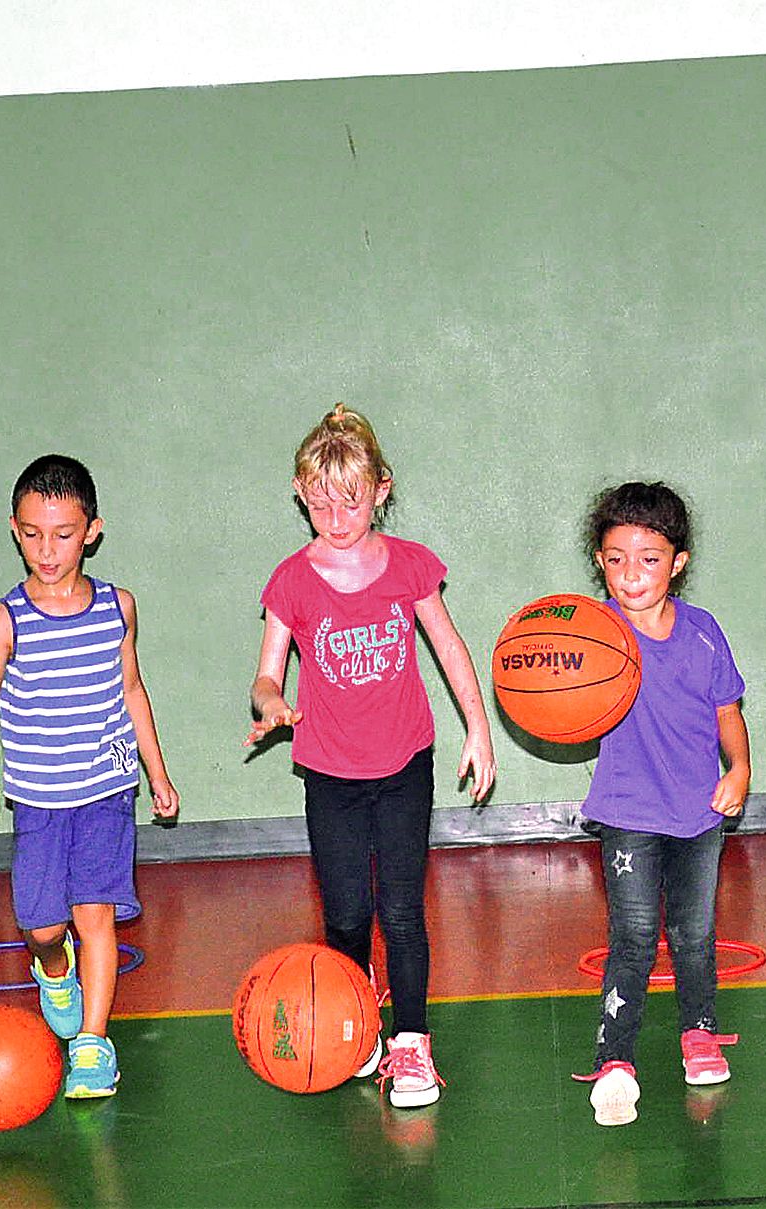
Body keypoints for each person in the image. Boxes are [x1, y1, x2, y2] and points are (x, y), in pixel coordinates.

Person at [246, 404, 495, 1108]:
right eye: (320, 502)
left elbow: (448, 647)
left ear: (380, 489)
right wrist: (271, 705)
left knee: (402, 911)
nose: (336, 515)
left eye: (350, 500)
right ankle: (353, 1028)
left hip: (403, 765)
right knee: (347, 914)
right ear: (300, 492)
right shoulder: (292, 580)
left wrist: (477, 730)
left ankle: (411, 1042)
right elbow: (267, 672)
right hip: (328, 771)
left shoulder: (409, 566)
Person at [0, 454, 182, 1099]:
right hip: (40, 801)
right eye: (32, 533)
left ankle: (94, 1046)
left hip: (106, 788)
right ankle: (53, 968)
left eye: (64, 534)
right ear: (14, 529)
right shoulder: (6, 620)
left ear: (92, 531)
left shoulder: (117, 607)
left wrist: (157, 774)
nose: (48, 550)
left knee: (94, 913)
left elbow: (132, 690)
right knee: (42, 923)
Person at [572, 481, 750, 1128]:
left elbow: (727, 711)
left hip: (699, 812)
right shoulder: (590, 635)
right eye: (615, 557)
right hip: (626, 812)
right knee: (635, 934)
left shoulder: (702, 634)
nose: (630, 573)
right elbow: (553, 691)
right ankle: (614, 1056)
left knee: (695, 932)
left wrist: (741, 768)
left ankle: (698, 1031)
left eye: (648, 557)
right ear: (598, 559)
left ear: (677, 561)